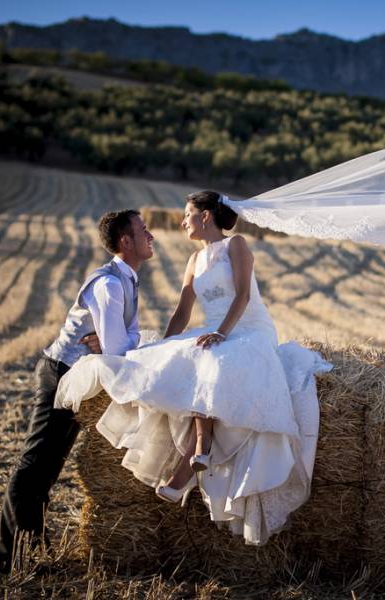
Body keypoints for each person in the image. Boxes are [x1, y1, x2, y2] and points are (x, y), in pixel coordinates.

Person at [55, 190, 331, 545]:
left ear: (205, 216)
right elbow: (183, 313)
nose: (182, 221)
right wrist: (165, 346)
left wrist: (220, 333)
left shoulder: (237, 246)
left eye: (187, 214)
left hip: (247, 331)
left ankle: (193, 456)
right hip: (216, 333)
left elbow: (244, 296)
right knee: (188, 354)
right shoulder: (193, 261)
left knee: (210, 356)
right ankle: (198, 451)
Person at [0, 209, 154, 571]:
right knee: (33, 467)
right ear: (125, 241)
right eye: (143, 230)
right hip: (60, 374)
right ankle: (7, 560)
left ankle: (30, 550)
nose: (152, 235)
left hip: (74, 381)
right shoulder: (109, 285)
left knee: (46, 472)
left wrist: (124, 338)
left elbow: (120, 341)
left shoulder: (127, 279)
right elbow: (117, 350)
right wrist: (128, 338)